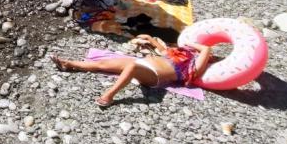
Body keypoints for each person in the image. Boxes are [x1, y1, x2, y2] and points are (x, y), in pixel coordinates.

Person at [52, 35, 214, 108]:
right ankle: (69, 64)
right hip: (142, 63)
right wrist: (150, 39)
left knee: (132, 67)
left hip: (154, 76)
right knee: (102, 63)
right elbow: (162, 50)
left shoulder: (194, 67)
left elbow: (206, 48)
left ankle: (109, 96)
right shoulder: (178, 55)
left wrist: (190, 44)